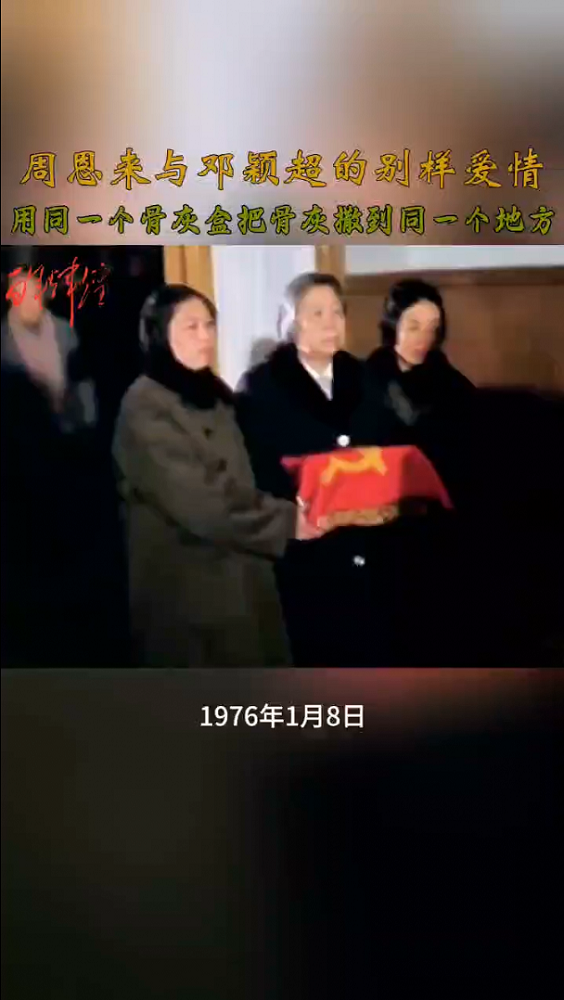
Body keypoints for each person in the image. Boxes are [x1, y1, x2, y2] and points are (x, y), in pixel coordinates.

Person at [113, 284, 319, 668]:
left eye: (210, 325)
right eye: (191, 327)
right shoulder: (145, 406)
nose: (206, 336)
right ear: (159, 335)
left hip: (241, 576)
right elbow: (203, 502)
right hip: (189, 591)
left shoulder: (214, 392)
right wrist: (286, 521)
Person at [237, 272, 388, 667]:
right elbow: (256, 468)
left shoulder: (364, 377)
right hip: (305, 546)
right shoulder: (262, 386)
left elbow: (385, 445)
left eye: (337, 312)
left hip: (365, 541)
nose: (330, 323)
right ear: (291, 322)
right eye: (316, 313)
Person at [363, 278, 477, 509]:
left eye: (432, 328)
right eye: (414, 327)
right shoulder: (366, 377)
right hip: (377, 497)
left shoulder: (450, 381)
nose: (423, 338)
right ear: (392, 325)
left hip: (437, 500)